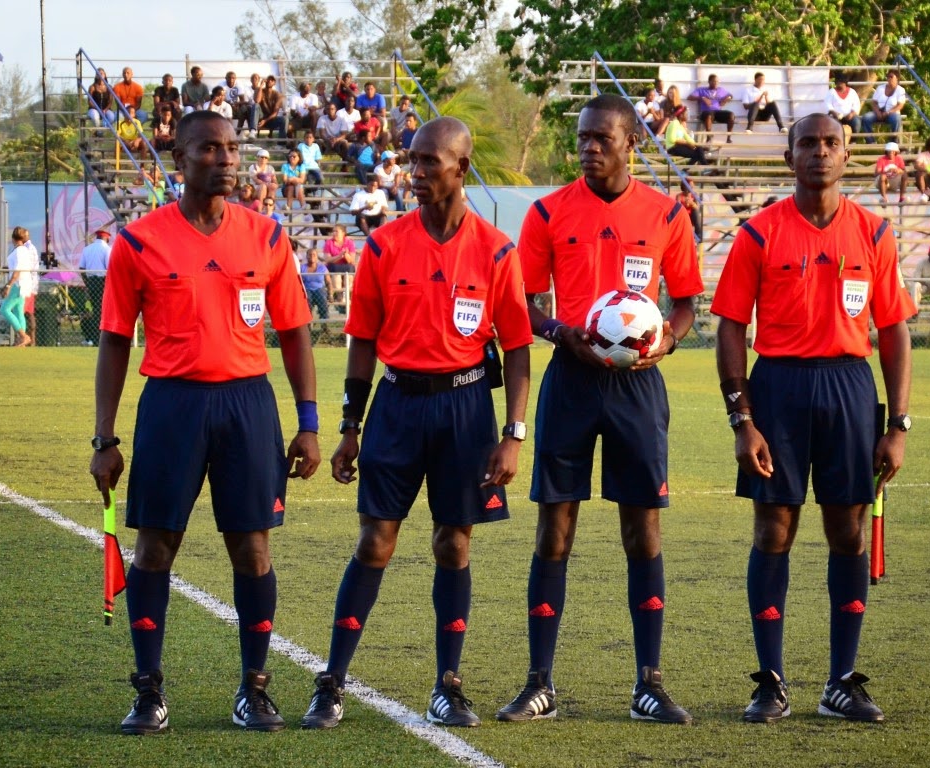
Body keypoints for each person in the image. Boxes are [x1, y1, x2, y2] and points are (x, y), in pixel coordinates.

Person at [89, 110, 321, 736]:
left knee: (252, 547)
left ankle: (254, 688)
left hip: (248, 405)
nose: (225, 160)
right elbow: (113, 342)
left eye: (231, 149)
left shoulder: (268, 237)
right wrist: (105, 438)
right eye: (210, 150)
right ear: (179, 156)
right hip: (172, 405)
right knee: (155, 547)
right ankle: (148, 690)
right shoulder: (139, 241)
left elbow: (296, 334)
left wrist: (308, 422)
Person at [301, 116, 533, 731]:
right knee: (375, 541)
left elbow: (516, 348)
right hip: (397, 405)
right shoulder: (383, 245)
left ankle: (447, 684)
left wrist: (513, 435)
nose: (418, 172)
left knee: (453, 543)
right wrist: (350, 427)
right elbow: (362, 343)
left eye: (431, 161)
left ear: (461, 167)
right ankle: (332, 681)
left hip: (465, 411)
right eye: (413, 160)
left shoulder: (496, 250)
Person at [497, 93, 701, 726]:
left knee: (642, 531)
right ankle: (539, 683)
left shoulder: (668, 213)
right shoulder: (549, 212)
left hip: (639, 387)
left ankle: (649, 683)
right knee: (554, 529)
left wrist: (665, 338)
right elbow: (524, 306)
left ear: (631, 143)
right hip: (571, 380)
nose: (589, 148)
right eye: (583, 138)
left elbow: (688, 304)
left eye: (602, 139)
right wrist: (563, 334)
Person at [710, 112, 915, 725]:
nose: (819, 152)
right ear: (789, 157)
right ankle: (770, 681)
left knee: (848, 530)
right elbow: (729, 329)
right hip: (777, 387)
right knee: (774, 528)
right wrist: (741, 420)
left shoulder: (875, 234)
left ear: (847, 155)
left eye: (831, 143)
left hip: (850, 389)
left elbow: (895, 331)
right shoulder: (758, 234)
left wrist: (898, 425)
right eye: (808, 143)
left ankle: (841, 681)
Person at [0, 227, 37, 347]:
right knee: (18, 311)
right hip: (25, 284)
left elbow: (17, 270)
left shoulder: (19, 251)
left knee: (5, 309)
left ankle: (23, 336)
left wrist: (8, 285)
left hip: (18, 284)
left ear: (13, 238)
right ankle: (23, 340)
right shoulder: (25, 250)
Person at [78, 228, 113, 345]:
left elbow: (81, 269)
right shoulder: (107, 249)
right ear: (106, 237)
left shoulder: (87, 249)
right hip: (102, 282)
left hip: (91, 282)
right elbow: (110, 269)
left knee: (95, 310)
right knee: (103, 311)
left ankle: (93, 337)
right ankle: (100, 338)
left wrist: (87, 283)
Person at [861, 69, 905, 144]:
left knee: (897, 118)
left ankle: (893, 140)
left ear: (897, 78)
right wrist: (877, 112)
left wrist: (888, 112)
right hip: (879, 112)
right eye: (888, 76)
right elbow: (874, 102)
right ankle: (871, 141)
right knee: (866, 117)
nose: (889, 78)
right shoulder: (880, 88)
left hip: (891, 113)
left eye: (891, 77)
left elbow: (900, 105)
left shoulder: (900, 90)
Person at [688, 74, 735, 138]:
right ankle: (709, 137)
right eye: (714, 81)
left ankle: (729, 137)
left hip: (717, 112)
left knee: (731, 115)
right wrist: (702, 98)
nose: (716, 83)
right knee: (709, 115)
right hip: (706, 112)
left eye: (717, 81)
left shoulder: (721, 90)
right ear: (709, 82)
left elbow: (731, 96)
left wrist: (726, 99)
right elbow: (690, 97)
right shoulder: (701, 90)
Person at [825, 74, 862, 141]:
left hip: (849, 116)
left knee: (857, 122)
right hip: (835, 116)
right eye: (837, 82)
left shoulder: (852, 92)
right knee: (831, 124)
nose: (838, 84)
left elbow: (856, 104)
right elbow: (827, 104)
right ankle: (834, 141)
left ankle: (853, 141)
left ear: (845, 83)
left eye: (840, 82)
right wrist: (834, 112)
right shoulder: (831, 92)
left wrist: (852, 113)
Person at [300, 247, 329, 324]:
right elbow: (299, 282)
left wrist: (331, 294)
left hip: (319, 289)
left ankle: (324, 326)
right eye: (310, 254)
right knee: (307, 302)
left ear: (317, 257)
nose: (312, 256)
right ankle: (308, 324)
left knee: (323, 302)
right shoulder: (302, 268)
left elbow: (328, 282)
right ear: (307, 256)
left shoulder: (322, 267)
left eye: (314, 254)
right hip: (307, 289)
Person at [874, 142, 906, 206]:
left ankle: (901, 198)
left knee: (905, 175)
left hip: (894, 180)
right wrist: (887, 171)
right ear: (887, 152)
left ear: (895, 152)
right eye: (890, 151)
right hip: (882, 180)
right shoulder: (881, 159)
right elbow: (877, 172)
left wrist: (899, 170)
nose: (891, 153)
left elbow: (903, 170)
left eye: (893, 151)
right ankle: (884, 199)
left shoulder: (899, 159)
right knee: (883, 176)